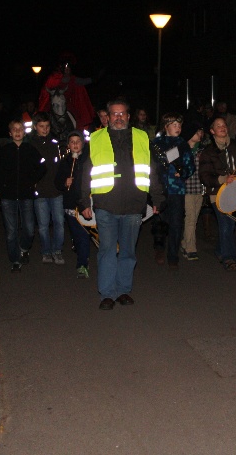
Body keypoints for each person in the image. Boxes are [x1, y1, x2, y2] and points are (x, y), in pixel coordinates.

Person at [78, 98, 164, 310]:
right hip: (106, 204)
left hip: (134, 205)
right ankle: (107, 294)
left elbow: (151, 169)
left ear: (128, 116)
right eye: (114, 114)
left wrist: (157, 197)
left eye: (122, 113)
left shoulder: (141, 137)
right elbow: (87, 171)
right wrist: (84, 201)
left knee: (128, 252)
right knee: (107, 251)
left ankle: (124, 290)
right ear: (107, 117)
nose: (118, 117)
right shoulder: (96, 138)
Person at [0, 120, 46, 272]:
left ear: (24, 132)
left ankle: (23, 248)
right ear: (10, 133)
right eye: (14, 129)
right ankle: (15, 260)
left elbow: (42, 166)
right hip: (8, 196)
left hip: (26, 195)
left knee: (29, 229)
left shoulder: (30, 149)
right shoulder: (4, 151)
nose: (18, 132)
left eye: (20, 129)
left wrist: (32, 180)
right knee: (11, 231)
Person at [199, 116, 236, 271]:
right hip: (217, 193)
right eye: (218, 126)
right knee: (225, 223)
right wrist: (223, 179)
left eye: (224, 125)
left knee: (229, 225)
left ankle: (220, 250)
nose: (222, 127)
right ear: (212, 131)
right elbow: (204, 176)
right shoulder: (208, 152)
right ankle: (229, 258)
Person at [151, 112, 196, 269]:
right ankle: (159, 248)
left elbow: (190, 165)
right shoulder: (156, 144)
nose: (178, 128)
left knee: (176, 223)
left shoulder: (183, 145)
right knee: (160, 221)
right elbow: (151, 165)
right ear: (166, 127)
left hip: (177, 189)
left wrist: (183, 172)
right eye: (174, 125)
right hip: (160, 189)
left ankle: (173, 255)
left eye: (179, 125)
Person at [29, 111, 66, 265]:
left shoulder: (55, 143)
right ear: (35, 127)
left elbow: (62, 165)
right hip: (40, 192)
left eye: (47, 126)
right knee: (43, 225)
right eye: (41, 126)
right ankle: (46, 251)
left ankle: (57, 250)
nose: (45, 129)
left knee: (59, 223)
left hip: (56, 190)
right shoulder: (31, 144)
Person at [55, 130, 92, 279]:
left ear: (83, 143)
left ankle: (82, 264)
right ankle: (81, 252)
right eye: (72, 142)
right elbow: (57, 182)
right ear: (68, 145)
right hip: (70, 205)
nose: (75, 144)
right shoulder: (65, 162)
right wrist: (65, 182)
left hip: (85, 203)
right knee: (77, 235)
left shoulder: (88, 160)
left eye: (78, 141)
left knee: (83, 235)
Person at [180, 120, 206, 261]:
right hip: (187, 188)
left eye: (201, 132)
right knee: (190, 217)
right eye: (197, 132)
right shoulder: (181, 149)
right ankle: (191, 248)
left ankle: (185, 242)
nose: (200, 134)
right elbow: (169, 163)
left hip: (199, 188)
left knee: (194, 218)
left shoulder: (202, 151)